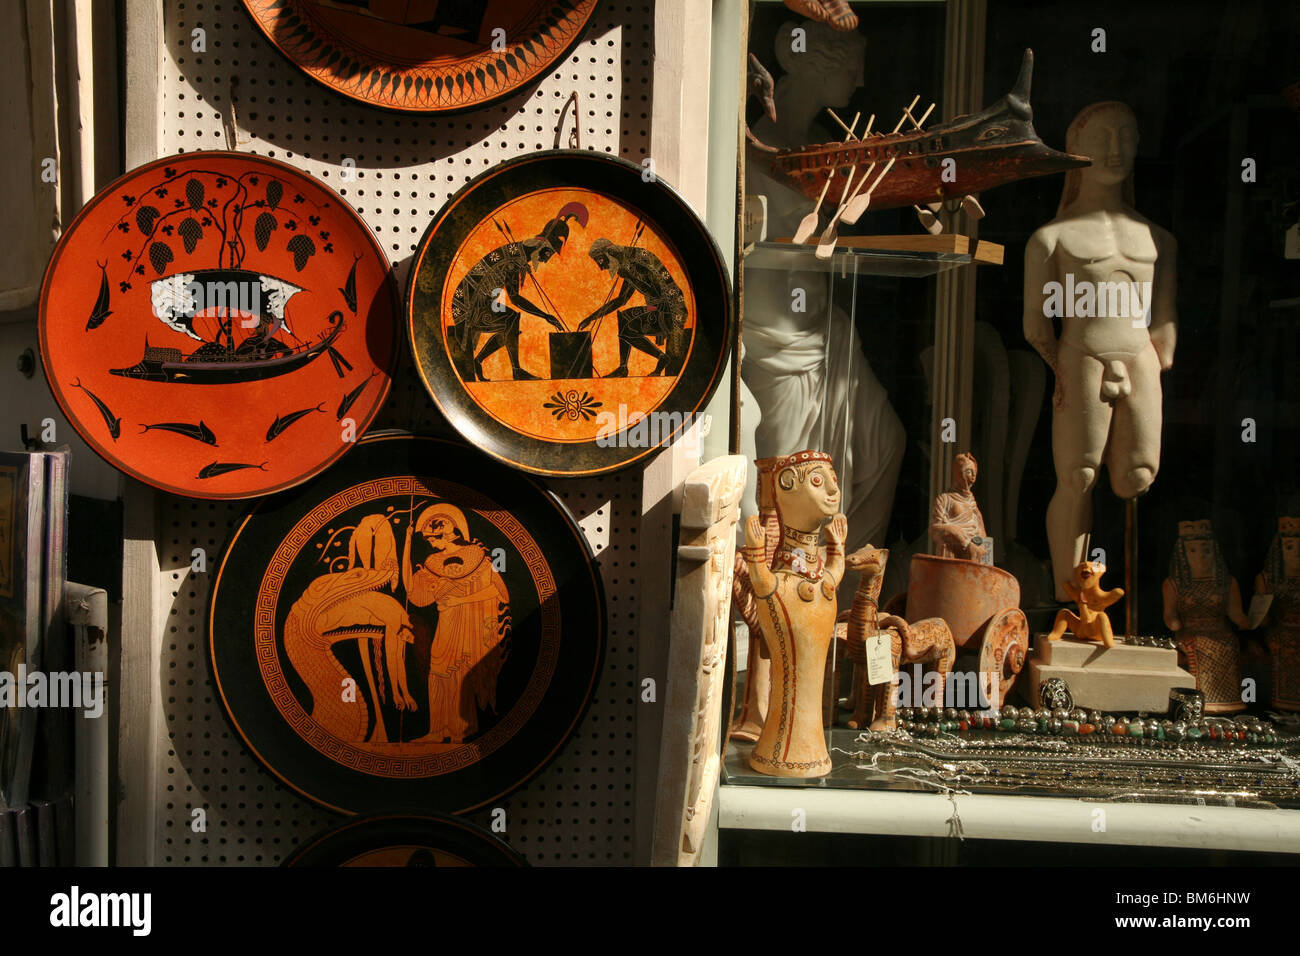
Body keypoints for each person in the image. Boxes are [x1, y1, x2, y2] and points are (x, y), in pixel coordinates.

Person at [1024, 102, 1177, 600]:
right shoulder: (1051, 238)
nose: (1116, 149)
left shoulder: (1158, 239)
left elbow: (1164, 323)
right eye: (1102, 138)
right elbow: (1037, 323)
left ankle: (1125, 601)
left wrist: (1155, 363)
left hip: (1140, 359)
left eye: (1126, 137)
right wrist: (1062, 372)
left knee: (1136, 477)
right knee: (1078, 475)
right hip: (1081, 357)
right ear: (1077, 150)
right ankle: (1071, 596)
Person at [403, 504, 510, 743]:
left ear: (448, 531)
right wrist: (406, 549)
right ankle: (437, 729)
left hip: (468, 623)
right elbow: (416, 594)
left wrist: (461, 599)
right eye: (428, 538)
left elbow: (498, 592)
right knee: (437, 673)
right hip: (446, 623)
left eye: (433, 537)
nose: (430, 542)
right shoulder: (432, 563)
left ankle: (463, 727)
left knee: (460, 671)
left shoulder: (478, 557)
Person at [448, 202, 587, 381]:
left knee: (511, 325)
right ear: (543, 246)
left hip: (479, 302)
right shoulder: (515, 259)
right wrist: (545, 315)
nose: (547, 259)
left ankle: (481, 361)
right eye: (549, 253)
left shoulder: (519, 254)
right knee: (512, 320)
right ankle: (515, 370)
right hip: (467, 306)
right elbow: (515, 299)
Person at [577, 237, 688, 377]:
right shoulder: (627, 263)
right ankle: (623, 368)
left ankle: (662, 357)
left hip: (672, 312)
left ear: (610, 253)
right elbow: (621, 300)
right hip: (660, 309)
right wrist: (591, 318)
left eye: (601, 260)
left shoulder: (635, 261)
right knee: (624, 317)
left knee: (627, 329)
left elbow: (656, 292)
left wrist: (630, 276)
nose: (602, 267)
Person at [930, 452, 988, 561]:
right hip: (951, 554)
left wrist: (980, 545)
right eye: (969, 472)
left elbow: (980, 529)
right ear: (958, 473)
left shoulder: (972, 502)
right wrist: (963, 540)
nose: (973, 476)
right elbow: (934, 529)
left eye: (975, 472)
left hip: (974, 556)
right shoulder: (945, 499)